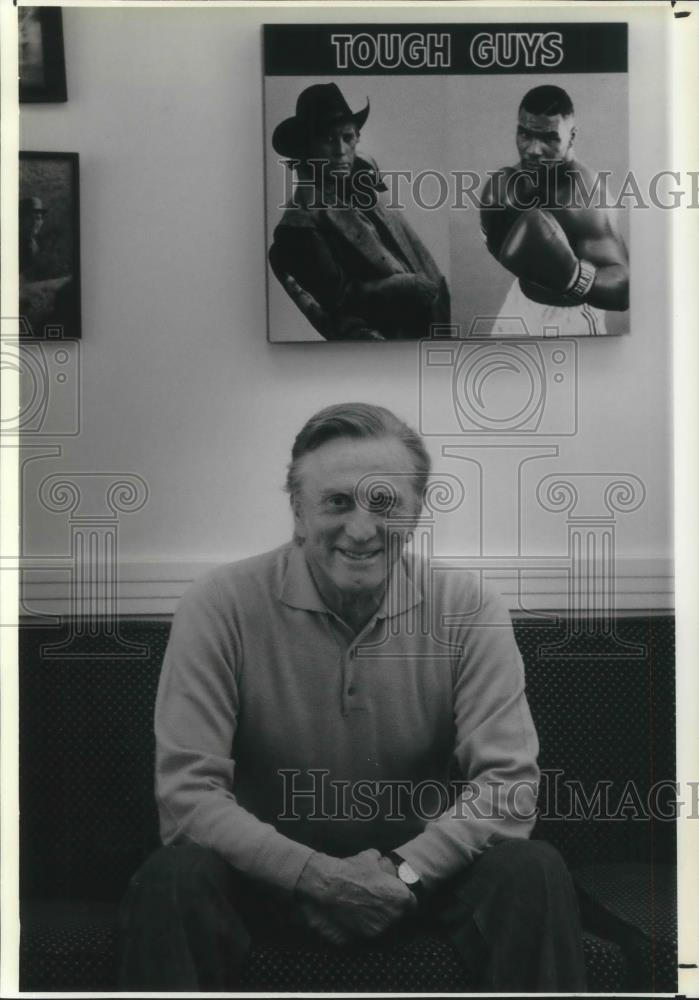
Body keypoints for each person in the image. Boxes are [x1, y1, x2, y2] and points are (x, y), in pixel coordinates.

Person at [118, 402, 587, 992]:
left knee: (532, 870)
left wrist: (401, 873)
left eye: (385, 503)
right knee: (173, 877)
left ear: (418, 510)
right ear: (296, 510)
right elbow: (187, 797)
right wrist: (315, 877)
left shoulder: (469, 606)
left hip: (419, 880)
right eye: (337, 502)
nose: (361, 529)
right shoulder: (219, 604)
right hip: (266, 883)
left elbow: (508, 787)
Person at [268, 84, 450, 341]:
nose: (341, 151)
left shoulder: (365, 186)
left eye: (348, 137)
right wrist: (404, 286)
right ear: (306, 148)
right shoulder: (299, 226)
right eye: (328, 139)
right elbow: (339, 302)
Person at [480, 85, 629, 337]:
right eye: (525, 134)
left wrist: (572, 276)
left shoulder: (587, 199)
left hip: (571, 319)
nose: (533, 150)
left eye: (549, 138)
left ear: (571, 136)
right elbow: (509, 252)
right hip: (519, 302)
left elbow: (624, 288)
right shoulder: (514, 181)